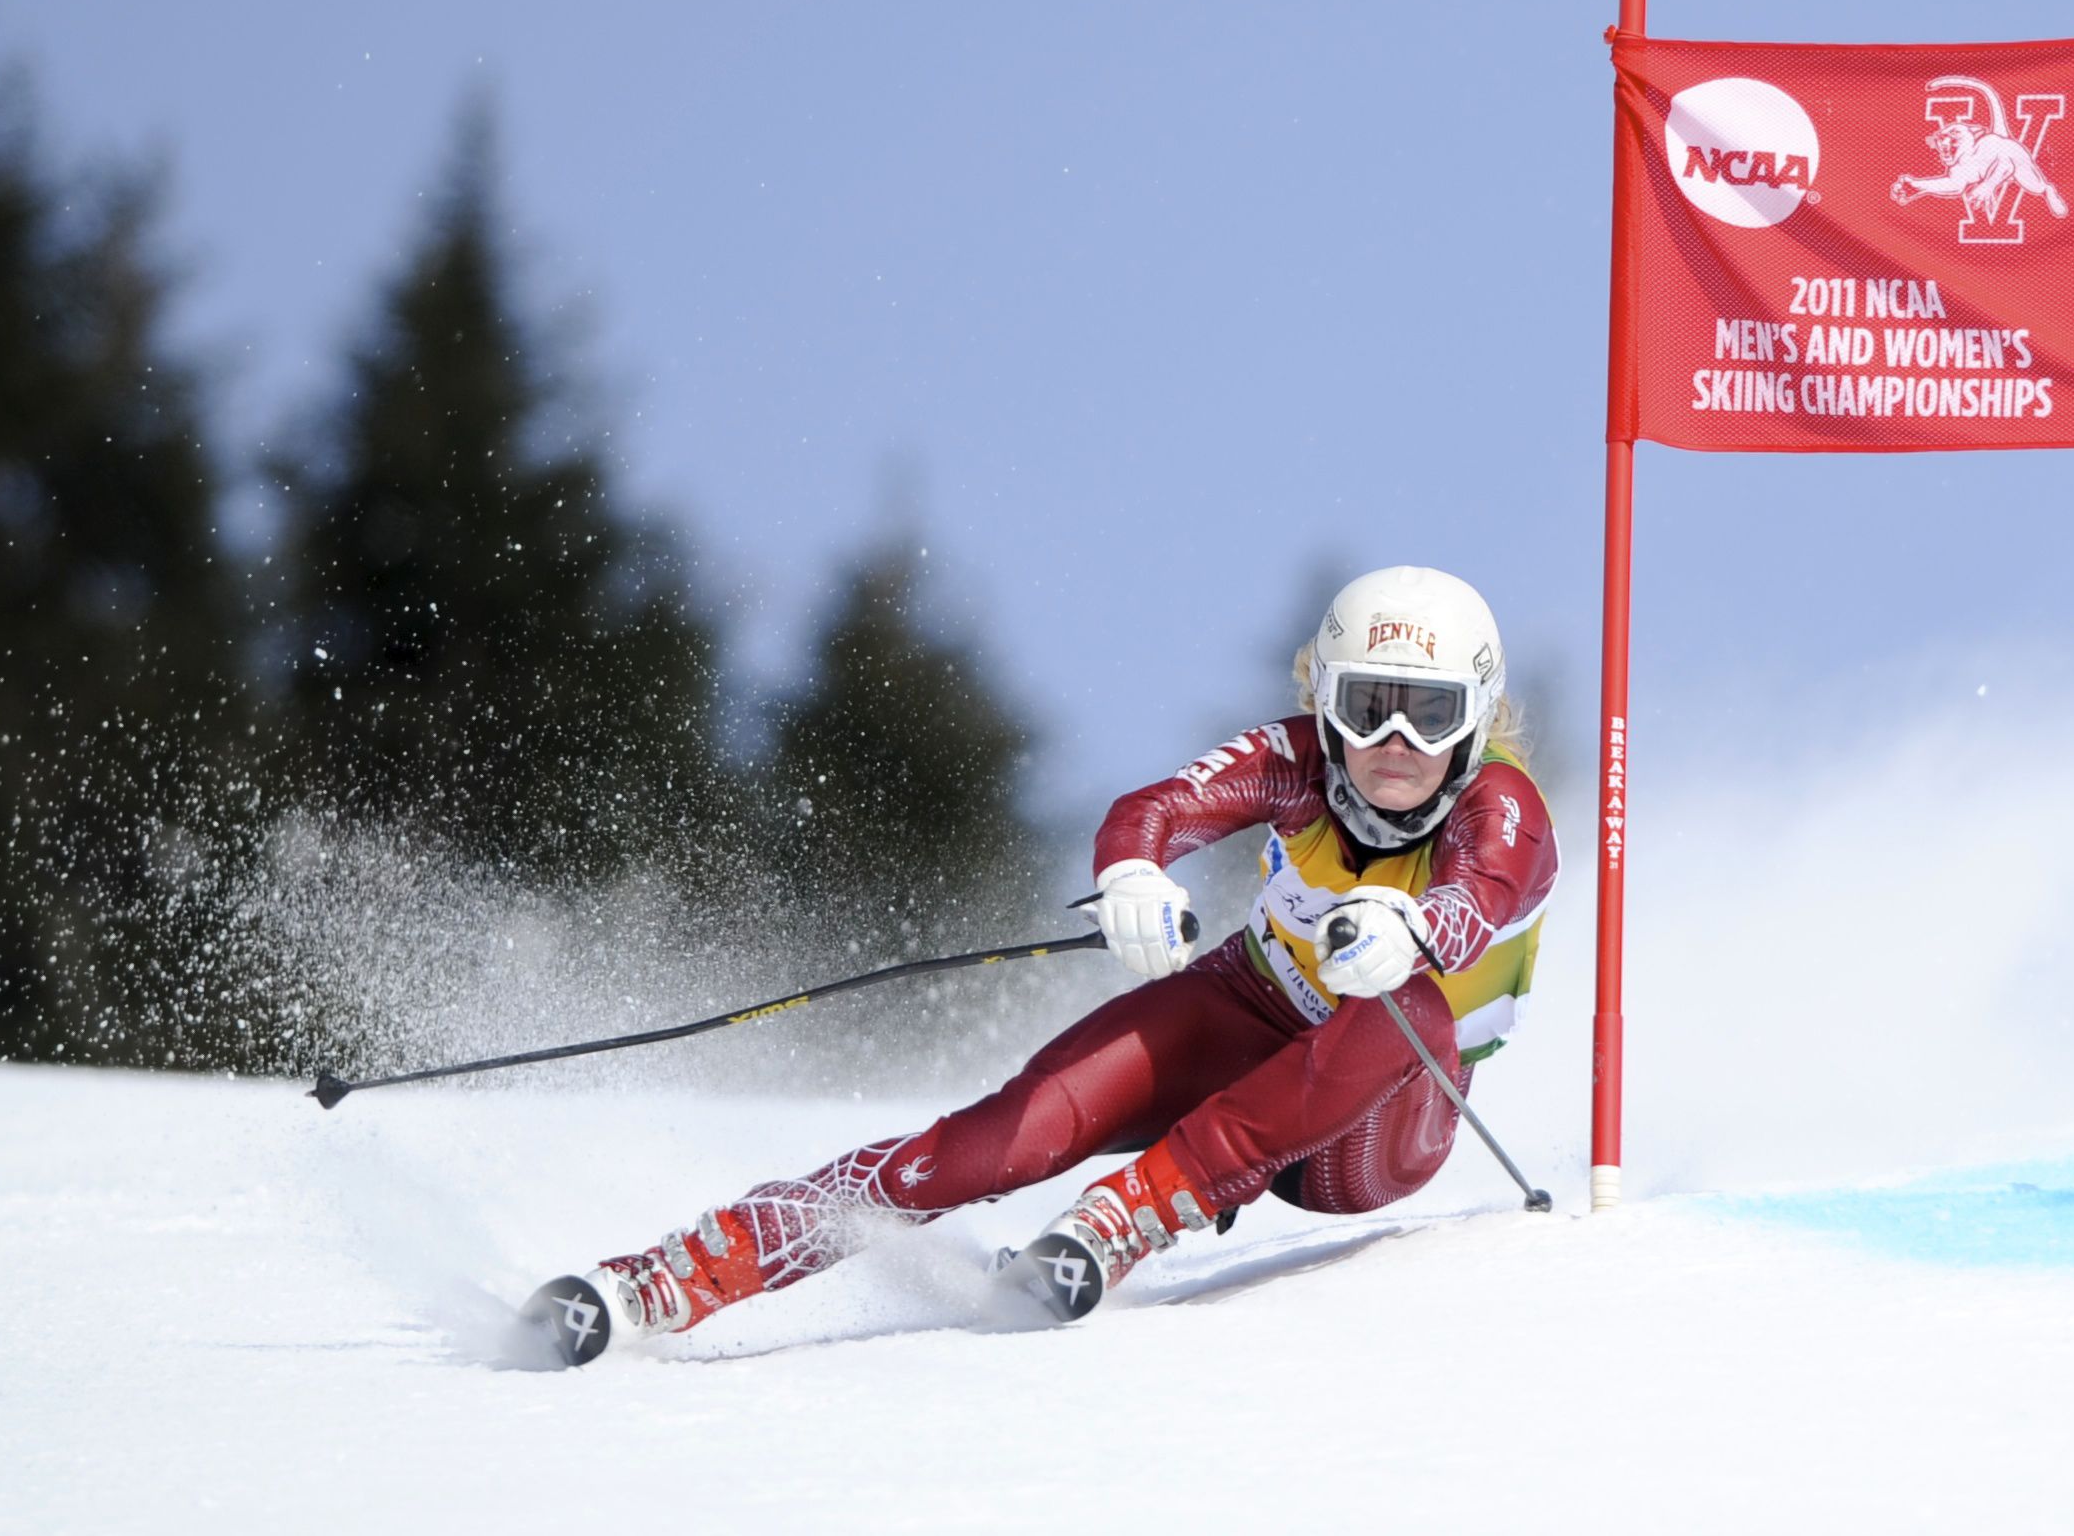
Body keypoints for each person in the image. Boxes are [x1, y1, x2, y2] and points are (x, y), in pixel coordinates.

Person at [525, 564, 1556, 1361]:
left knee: (1407, 1008)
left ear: (1476, 712)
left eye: (1427, 712)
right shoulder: (1294, 760)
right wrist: (1135, 878)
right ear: (1322, 696)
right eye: (1366, 701)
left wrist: (1414, 929)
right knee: (989, 1144)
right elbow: (1151, 809)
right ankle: (663, 1282)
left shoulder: (1500, 808)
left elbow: (1481, 897)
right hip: (1248, 1015)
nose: (1391, 740)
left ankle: (1129, 1217)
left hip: (1372, 1126)